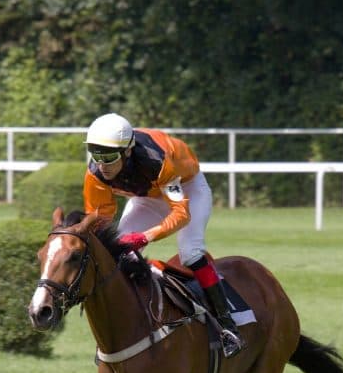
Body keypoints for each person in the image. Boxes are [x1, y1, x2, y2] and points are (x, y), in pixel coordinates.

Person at [82, 112, 244, 357]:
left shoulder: (156, 160)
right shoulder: (95, 173)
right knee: (120, 256)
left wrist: (145, 237)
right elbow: (99, 220)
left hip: (187, 189)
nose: (102, 164)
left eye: (109, 156)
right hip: (146, 197)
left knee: (190, 252)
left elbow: (180, 214)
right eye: (96, 154)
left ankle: (227, 326)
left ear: (127, 151)